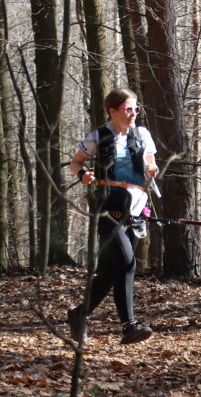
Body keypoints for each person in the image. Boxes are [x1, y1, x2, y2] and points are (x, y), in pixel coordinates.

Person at [67, 88, 158, 345]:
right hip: (108, 208)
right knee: (127, 263)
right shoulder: (98, 136)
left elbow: (151, 163)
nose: (133, 113)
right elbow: (75, 162)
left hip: (136, 209)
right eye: (128, 109)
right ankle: (129, 326)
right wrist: (82, 174)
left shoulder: (142, 135)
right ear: (112, 110)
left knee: (110, 271)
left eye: (136, 109)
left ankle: (79, 313)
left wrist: (152, 168)